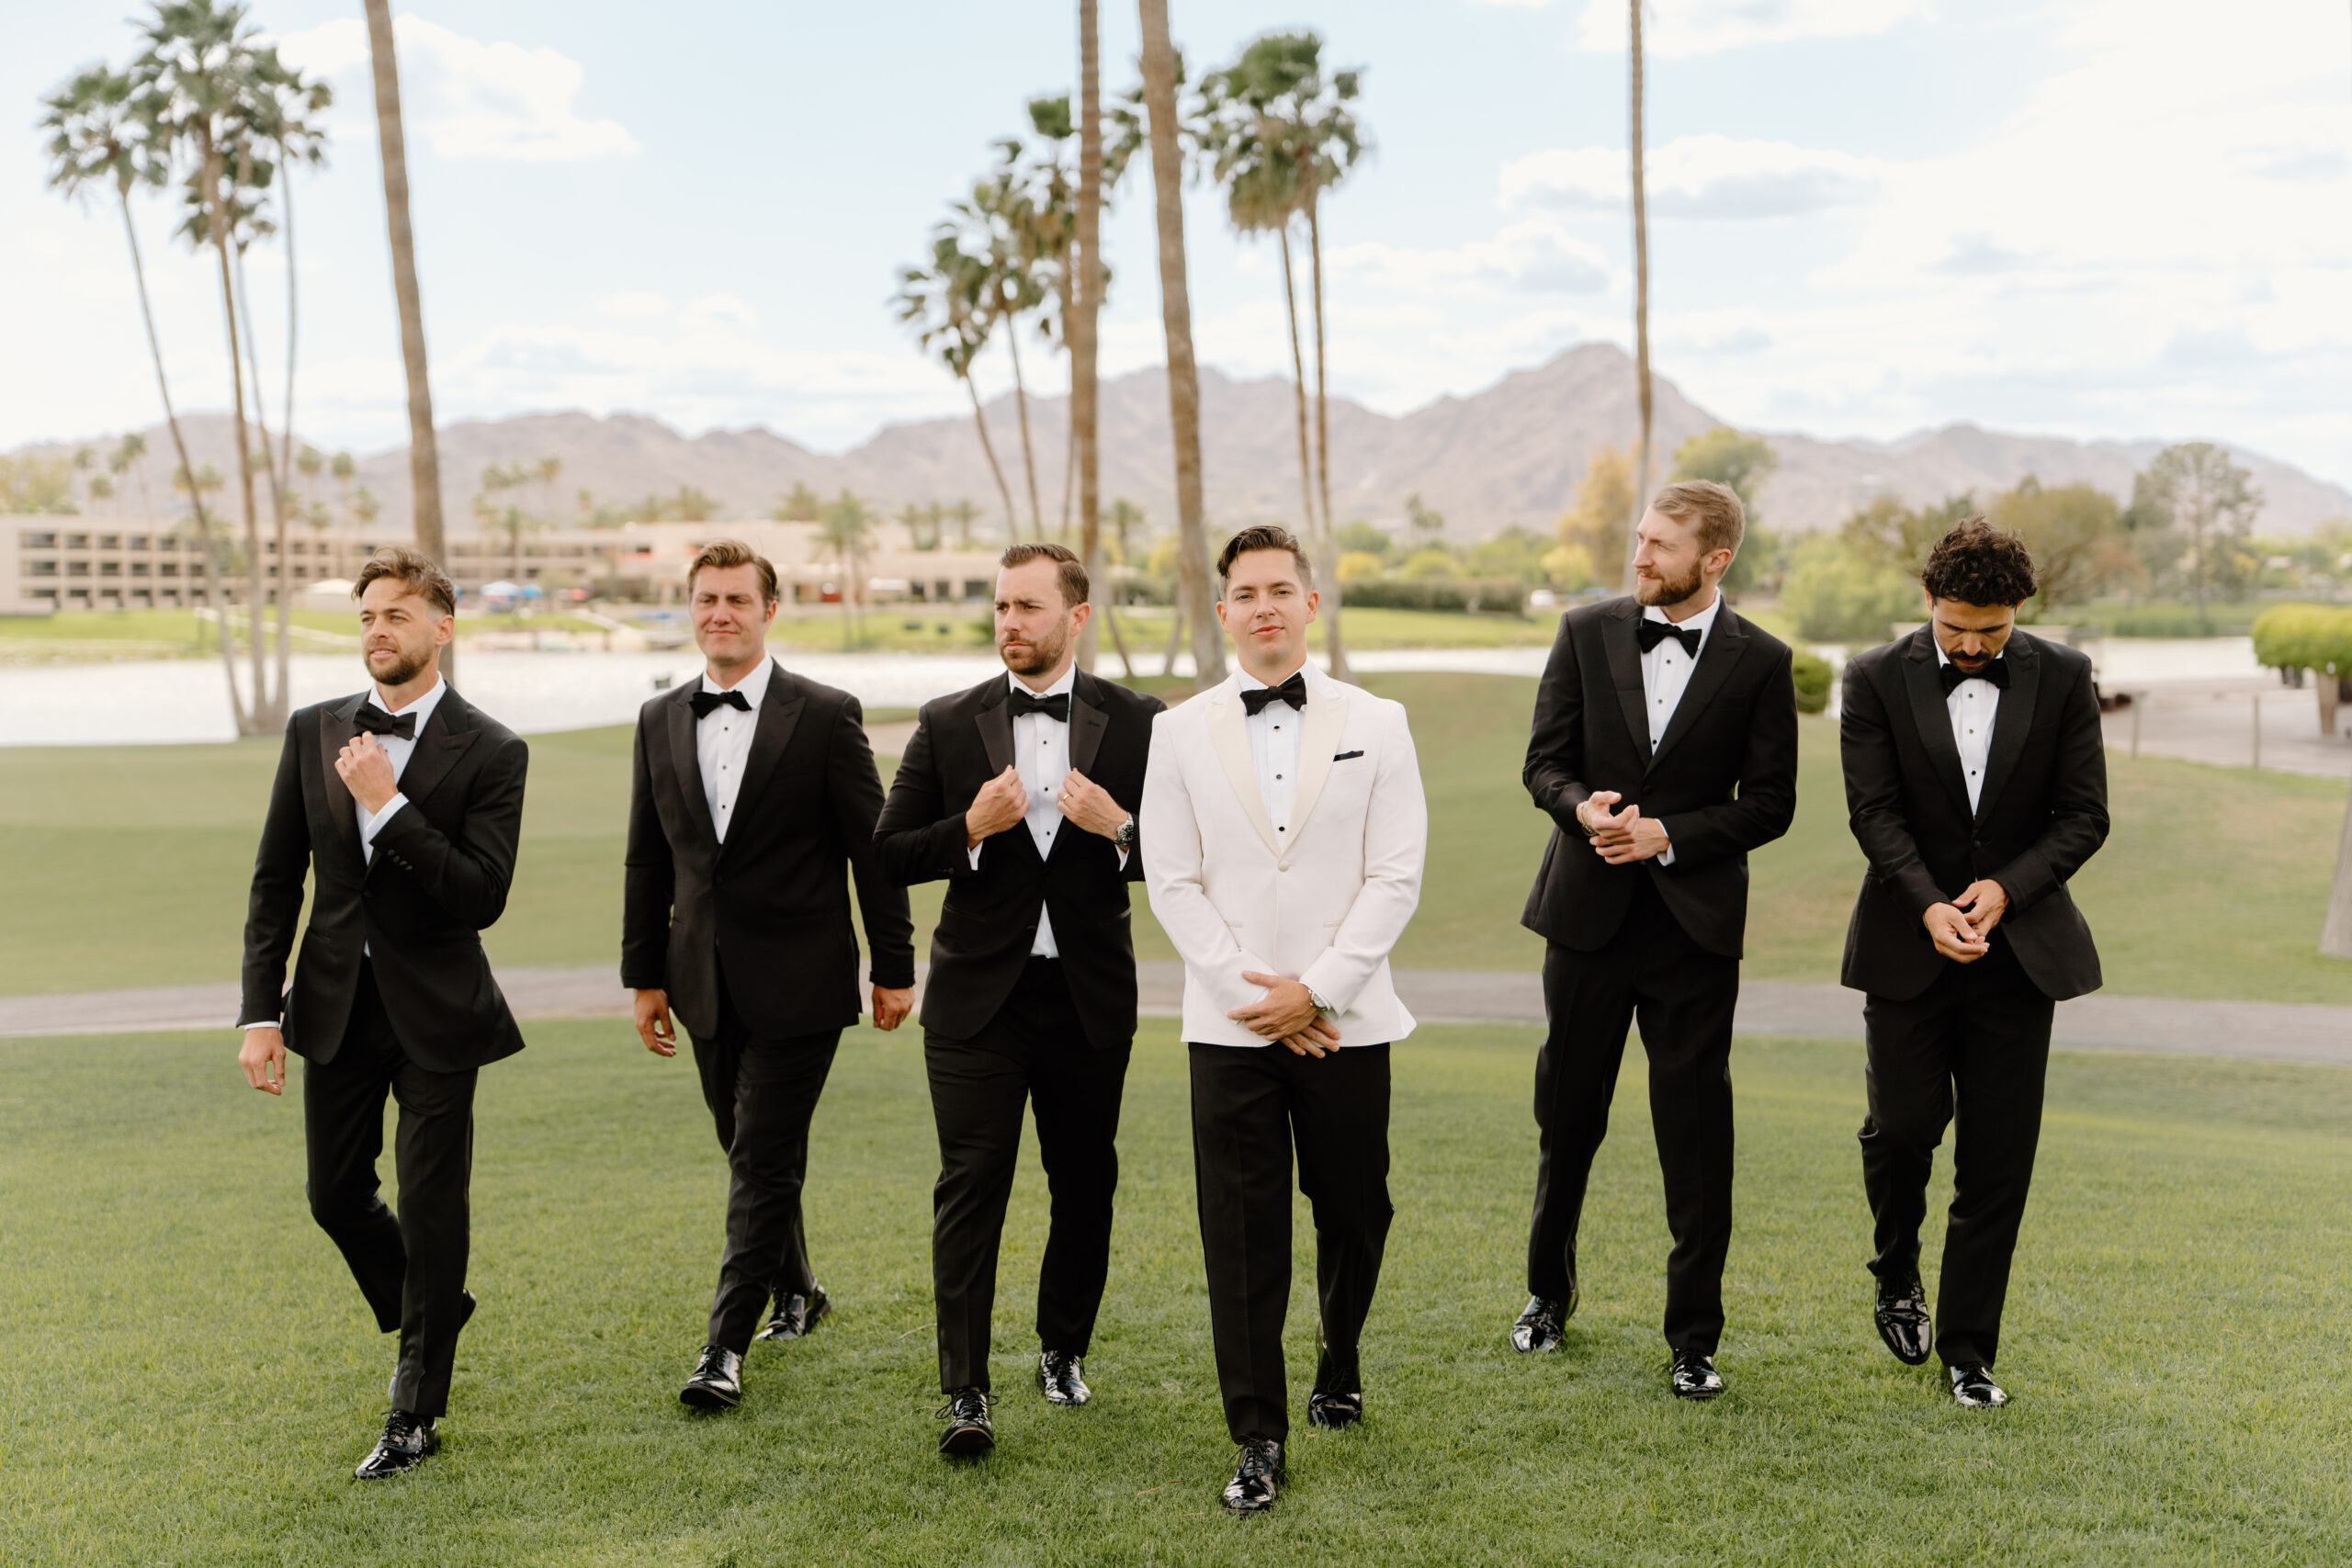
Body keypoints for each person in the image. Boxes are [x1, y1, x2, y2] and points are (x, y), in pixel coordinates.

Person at [1141, 525, 1427, 1514]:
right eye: (1244, 592)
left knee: (1355, 1211)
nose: (1263, 605)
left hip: (1347, 1021)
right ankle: (1256, 1434)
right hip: (1230, 1030)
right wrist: (1254, 995)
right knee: (1243, 1235)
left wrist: (1321, 989)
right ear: (1222, 612)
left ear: (1311, 604)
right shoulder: (1174, 733)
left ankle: (1338, 1351)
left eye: (1280, 589)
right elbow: (1170, 881)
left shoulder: (1379, 721)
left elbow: (1395, 875)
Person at [237, 547, 530, 1479]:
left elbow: (480, 895)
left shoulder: (492, 749)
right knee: (334, 1195)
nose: (377, 631)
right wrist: (259, 1012)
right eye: (366, 616)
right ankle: (434, 1304)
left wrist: (389, 803)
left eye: (396, 615)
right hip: (333, 1005)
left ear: (441, 628)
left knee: (433, 1205)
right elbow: (277, 880)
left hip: (440, 1012)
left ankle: (414, 1414)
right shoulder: (311, 729)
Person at [875, 542, 1164, 1457]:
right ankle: (965, 1390)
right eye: (1001, 606)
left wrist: (1116, 828)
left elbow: (1191, 860)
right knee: (971, 1188)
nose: (1010, 623)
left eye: (1029, 608)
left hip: (1087, 999)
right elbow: (886, 853)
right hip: (975, 1005)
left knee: (1085, 1185)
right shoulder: (948, 720)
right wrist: (970, 827)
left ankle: (1061, 1346)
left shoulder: (1139, 721)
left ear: (1075, 617)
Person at [1510, 480, 1798, 1400]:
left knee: (1694, 1135)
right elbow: (1542, 763)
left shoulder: (1762, 660)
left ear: (1714, 559)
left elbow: (1771, 805)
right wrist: (1578, 805)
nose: (1639, 558)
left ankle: (1693, 1341)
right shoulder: (1584, 630)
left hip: (1693, 934)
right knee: (1568, 1120)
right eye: (1639, 540)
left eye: (1660, 546)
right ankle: (1545, 1300)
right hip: (1585, 922)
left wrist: (1668, 833)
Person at [621, 540, 916, 1412]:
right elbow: (648, 860)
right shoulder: (658, 716)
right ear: (692, 608)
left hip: (803, 981)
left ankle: (723, 1347)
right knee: (748, 1150)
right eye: (706, 599)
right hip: (699, 981)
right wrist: (645, 976)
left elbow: (875, 850)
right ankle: (801, 1286)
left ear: (769, 610)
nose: (720, 613)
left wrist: (893, 966)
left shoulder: (825, 714)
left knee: (759, 1158)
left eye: (737, 600)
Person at [1840, 518, 2108, 1408]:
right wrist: (1927, 904)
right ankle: (1893, 1270)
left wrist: (2006, 890)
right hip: (1905, 947)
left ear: (2019, 614)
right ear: (1928, 601)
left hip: (2016, 956)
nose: (1968, 646)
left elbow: (2082, 816)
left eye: (1990, 633)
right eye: (1955, 627)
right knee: (1904, 1126)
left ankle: (1967, 1353)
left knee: (1998, 1159)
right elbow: (1873, 813)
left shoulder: (2064, 678)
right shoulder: (1874, 678)